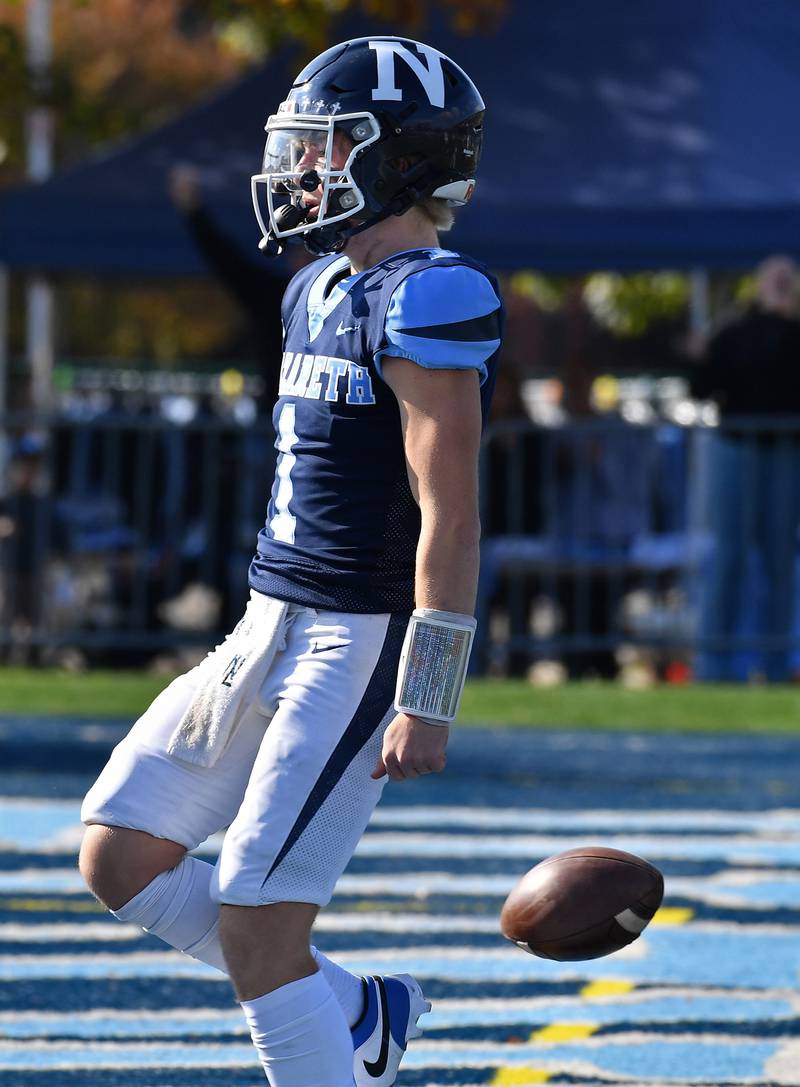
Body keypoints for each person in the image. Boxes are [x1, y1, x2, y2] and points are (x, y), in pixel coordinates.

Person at [78, 35, 502, 1087]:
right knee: (119, 854)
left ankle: (328, 1041)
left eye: (327, 146)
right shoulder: (314, 286)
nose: (298, 169)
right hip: (269, 617)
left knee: (261, 923)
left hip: (357, 637)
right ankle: (355, 1013)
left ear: (395, 160)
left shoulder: (429, 297)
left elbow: (448, 515)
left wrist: (430, 693)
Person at [690, 255, 800, 682]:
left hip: (785, 454)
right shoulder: (733, 330)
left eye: (787, 279)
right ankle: (714, 665)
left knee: (779, 562)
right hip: (736, 451)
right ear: (757, 284)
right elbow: (703, 388)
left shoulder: (795, 334)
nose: (781, 284)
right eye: (774, 278)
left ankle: (775, 665)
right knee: (729, 558)